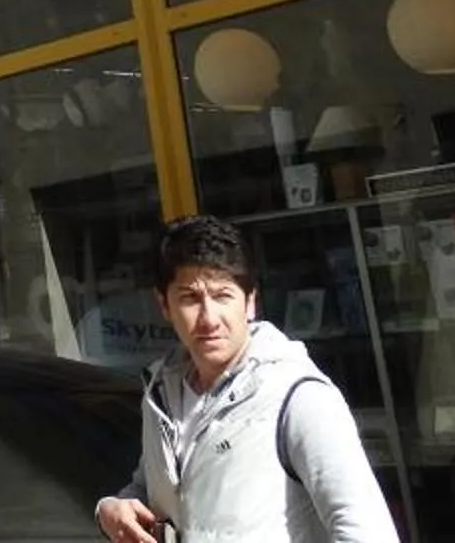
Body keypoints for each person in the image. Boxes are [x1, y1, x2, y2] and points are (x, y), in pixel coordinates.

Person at [95, 215, 397, 543]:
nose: (209, 319)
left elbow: (366, 532)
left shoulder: (296, 397)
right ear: (164, 305)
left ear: (250, 302)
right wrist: (110, 508)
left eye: (223, 295)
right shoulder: (163, 394)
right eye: (190, 298)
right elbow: (155, 484)